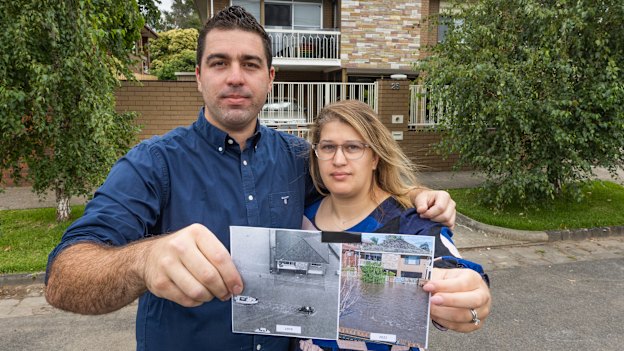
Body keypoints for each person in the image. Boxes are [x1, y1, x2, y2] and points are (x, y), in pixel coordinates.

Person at [45, 6, 458, 351]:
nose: (236, 76)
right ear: (198, 77)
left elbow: (364, 191)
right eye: (219, 62)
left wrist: (417, 195)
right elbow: (63, 277)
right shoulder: (153, 164)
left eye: (250, 64)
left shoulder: (302, 159)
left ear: (270, 77)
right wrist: (143, 259)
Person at [298, 100, 491, 351]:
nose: (338, 159)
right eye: (328, 147)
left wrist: (465, 289)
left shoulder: (410, 221)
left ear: (375, 158)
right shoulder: (301, 215)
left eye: (353, 147)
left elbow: (446, 261)